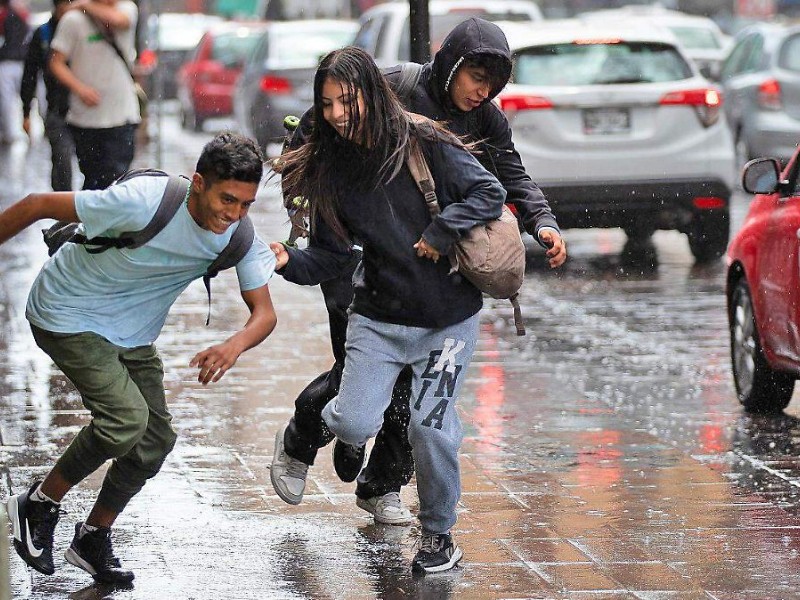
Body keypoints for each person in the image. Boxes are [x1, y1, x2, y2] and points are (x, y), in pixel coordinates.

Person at [270, 17, 567, 526]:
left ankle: (381, 485)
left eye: (492, 83)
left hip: (435, 272)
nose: (482, 91)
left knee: (419, 398)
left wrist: (541, 221)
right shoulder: (391, 87)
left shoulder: (480, 122)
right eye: (475, 76)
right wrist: (305, 209)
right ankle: (307, 435)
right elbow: (319, 125)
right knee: (359, 378)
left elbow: (506, 178)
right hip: (360, 261)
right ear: (451, 63)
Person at [272, 45, 506, 573]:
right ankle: (327, 435)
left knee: (429, 426)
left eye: (346, 101)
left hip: (448, 320)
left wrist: (441, 231)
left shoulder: (422, 140)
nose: (335, 115)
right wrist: (287, 259)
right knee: (354, 423)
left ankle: (440, 535)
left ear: (372, 96)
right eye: (326, 104)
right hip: (377, 320)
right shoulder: (332, 167)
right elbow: (331, 258)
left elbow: (488, 192)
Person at [4, 132, 277, 584]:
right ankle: (38, 503)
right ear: (198, 183)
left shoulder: (238, 235)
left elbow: (264, 314)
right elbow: (35, 203)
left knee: (154, 442)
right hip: (67, 311)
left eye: (245, 204)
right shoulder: (143, 201)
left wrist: (233, 345)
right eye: (227, 199)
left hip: (132, 333)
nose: (233, 214)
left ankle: (92, 537)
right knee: (125, 420)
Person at [48, 0, 139, 190]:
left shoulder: (126, 9)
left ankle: (108, 218)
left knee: (117, 180)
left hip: (122, 115)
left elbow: (118, 20)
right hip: (85, 118)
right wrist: (80, 89)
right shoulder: (73, 20)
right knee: (93, 179)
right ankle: (90, 217)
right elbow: (56, 62)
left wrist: (84, 5)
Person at [20, 0, 75, 191]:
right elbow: (30, 75)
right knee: (62, 160)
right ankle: (64, 210)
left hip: (86, 109)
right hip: (57, 109)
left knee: (91, 163)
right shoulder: (43, 34)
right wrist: (26, 112)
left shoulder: (84, 29)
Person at [0, 0, 29, 144]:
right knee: (24, 96)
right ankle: (14, 132)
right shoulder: (20, 14)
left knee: (7, 100)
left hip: (7, 61)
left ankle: (10, 134)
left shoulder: (6, 15)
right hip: (19, 60)